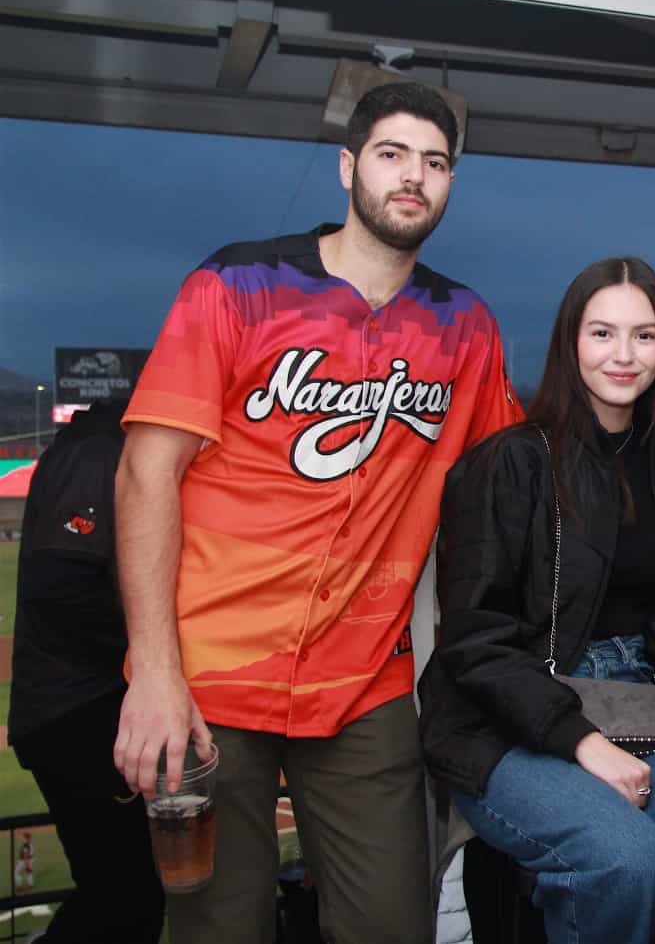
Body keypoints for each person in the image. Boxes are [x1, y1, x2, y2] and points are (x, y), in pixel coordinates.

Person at [113, 81, 525, 944]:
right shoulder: (237, 283)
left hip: (363, 680)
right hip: (209, 673)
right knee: (216, 928)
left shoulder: (465, 327)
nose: (413, 177)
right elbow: (147, 474)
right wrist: (153, 674)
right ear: (347, 167)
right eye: (392, 154)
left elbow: (513, 482)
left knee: (391, 925)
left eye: (436, 162)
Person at [419, 256, 655, 944]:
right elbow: (474, 641)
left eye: (644, 335)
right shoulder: (511, 462)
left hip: (643, 695)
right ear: (569, 342)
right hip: (512, 710)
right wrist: (579, 741)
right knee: (627, 862)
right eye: (602, 333)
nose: (624, 355)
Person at [9, 400, 165, 941]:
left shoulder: (108, 444)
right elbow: (62, 588)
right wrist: (159, 652)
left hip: (82, 705)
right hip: (75, 711)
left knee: (132, 894)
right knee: (125, 899)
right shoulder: (101, 449)